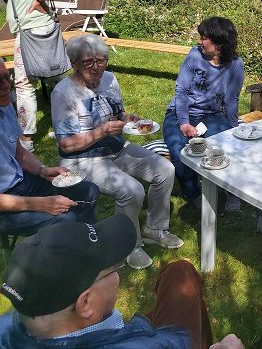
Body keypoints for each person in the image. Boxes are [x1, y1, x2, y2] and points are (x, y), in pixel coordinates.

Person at [50, 34, 182, 270]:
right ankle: (129, 245)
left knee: (165, 169)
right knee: (132, 190)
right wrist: (101, 132)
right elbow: (65, 144)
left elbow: (117, 113)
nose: (96, 67)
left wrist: (127, 119)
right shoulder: (63, 94)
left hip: (115, 147)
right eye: (88, 62)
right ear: (74, 64)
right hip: (81, 160)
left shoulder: (110, 80)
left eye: (101, 61)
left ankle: (155, 228)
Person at [0, 214, 228, 349]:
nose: (119, 275)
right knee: (182, 274)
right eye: (115, 267)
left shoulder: (12, 325)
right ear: (86, 304)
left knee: (179, 272)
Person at [0, 58, 98, 236]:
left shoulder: (4, 105)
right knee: (64, 218)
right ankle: (67, 254)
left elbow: (17, 149)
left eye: (7, 78)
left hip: (20, 182)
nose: (6, 86)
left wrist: (42, 170)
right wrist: (41, 204)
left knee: (88, 191)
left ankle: (86, 245)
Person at [0, 0, 69, 153]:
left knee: (26, 84)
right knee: (54, 79)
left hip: (34, 30)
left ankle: (26, 139)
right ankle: (69, 122)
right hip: (28, 28)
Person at [163, 16, 244, 210]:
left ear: (219, 43)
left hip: (211, 115)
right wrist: (183, 123)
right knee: (179, 150)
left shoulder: (236, 65)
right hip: (180, 112)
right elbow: (181, 91)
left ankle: (231, 191)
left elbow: (231, 100)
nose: (200, 41)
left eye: (204, 38)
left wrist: (233, 130)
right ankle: (194, 194)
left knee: (226, 145)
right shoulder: (194, 55)